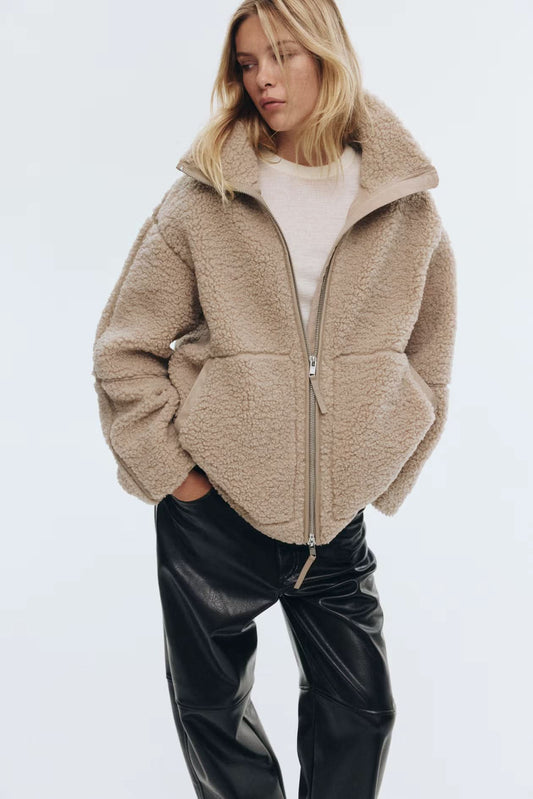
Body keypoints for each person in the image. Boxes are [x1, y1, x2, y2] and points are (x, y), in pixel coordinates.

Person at [91, 1, 457, 796]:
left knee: (363, 713)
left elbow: (428, 357)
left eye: (282, 55)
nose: (262, 78)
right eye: (247, 62)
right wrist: (179, 479)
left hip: (333, 526)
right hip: (213, 516)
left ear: (327, 53)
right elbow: (124, 349)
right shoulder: (204, 197)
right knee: (212, 715)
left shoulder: (402, 202)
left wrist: (382, 466)